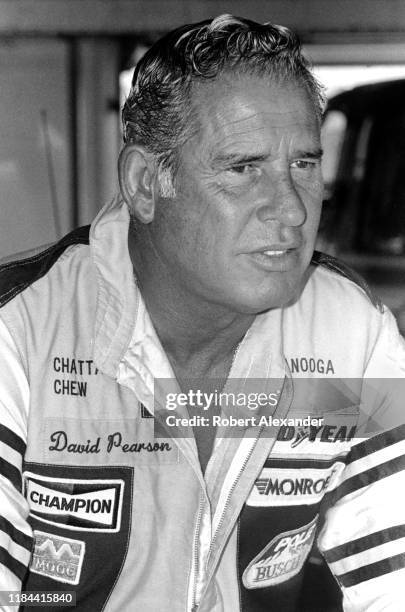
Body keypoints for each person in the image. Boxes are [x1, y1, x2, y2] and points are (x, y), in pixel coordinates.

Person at [0, 14, 404, 612]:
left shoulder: (349, 332)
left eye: (304, 164)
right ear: (145, 184)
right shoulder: (21, 332)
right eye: (244, 169)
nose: (291, 210)